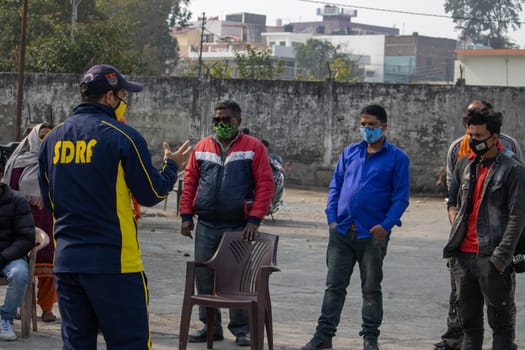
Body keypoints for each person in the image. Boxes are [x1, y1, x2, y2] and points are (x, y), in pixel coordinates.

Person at [37, 63, 191, 350]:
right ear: (109, 98)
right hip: (114, 264)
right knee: (128, 344)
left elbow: (49, 203)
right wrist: (172, 167)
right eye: (122, 96)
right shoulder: (123, 137)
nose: (123, 104)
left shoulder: (52, 140)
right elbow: (152, 192)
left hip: (67, 263)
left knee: (76, 345)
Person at [301, 104, 410, 350]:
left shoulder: (397, 158)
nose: (366, 129)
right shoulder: (350, 152)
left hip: (372, 235)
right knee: (334, 287)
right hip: (341, 232)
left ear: (384, 126)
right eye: (363, 124)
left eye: (371, 125)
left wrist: (385, 225)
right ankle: (323, 336)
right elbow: (335, 187)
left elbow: (400, 198)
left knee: (371, 289)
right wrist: (331, 217)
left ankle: (370, 338)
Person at [179, 100, 274, 347]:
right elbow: (190, 182)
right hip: (206, 224)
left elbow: (265, 184)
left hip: (239, 227)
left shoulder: (253, 148)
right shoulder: (202, 147)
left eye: (226, 120)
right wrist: (186, 215)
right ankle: (210, 327)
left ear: (238, 122)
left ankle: (241, 330)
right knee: (204, 276)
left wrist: (255, 219)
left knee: (236, 277)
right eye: (217, 120)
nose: (221, 125)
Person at [435, 99, 522, 350]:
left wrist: (501, 257)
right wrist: (456, 231)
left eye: (480, 135)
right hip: (463, 258)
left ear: (495, 137)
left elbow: (517, 217)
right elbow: (454, 200)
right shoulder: (465, 163)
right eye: (471, 135)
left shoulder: (512, 170)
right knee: (470, 326)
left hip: (492, 257)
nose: (474, 140)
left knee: (502, 327)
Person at [2, 123, 57, 323]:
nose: (45, 141)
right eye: (42, 136)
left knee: (47, 265)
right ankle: (18, 306)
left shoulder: (55, 161)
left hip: (48, 219)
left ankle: (47, 307)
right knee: (20, 263)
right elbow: (9, 190)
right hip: (21, 219)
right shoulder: (17, 162)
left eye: (49, 136)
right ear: (33, 138)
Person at [0, 182, 35, 341]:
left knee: (20, 274)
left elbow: (26, 238)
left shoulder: (17, 200)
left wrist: (3, 256)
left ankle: (5, 318)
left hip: (11, 257)